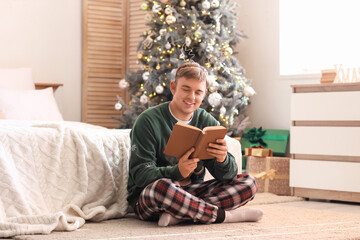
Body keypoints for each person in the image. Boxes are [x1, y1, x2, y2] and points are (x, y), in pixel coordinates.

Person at [127, 61, 263, 227]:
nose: (192, 97)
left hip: (191, 193)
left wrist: (222, 159)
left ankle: (181, 214)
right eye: (186, 89)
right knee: (163, 187)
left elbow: (228, 176)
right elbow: (140, 175)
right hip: (151, 197)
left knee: (248, 182)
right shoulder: (148, 120)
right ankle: (225, 216)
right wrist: (177, 171)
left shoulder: (206, 121)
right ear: (173, 87)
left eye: (198, 92)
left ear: (204, 94)